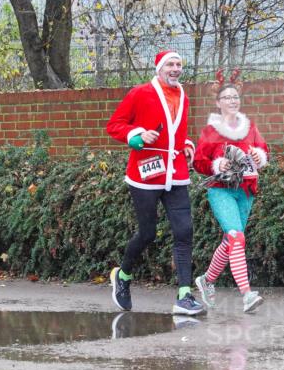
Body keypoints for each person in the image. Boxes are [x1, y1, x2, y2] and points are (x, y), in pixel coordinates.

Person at [107, 50, 204, 316]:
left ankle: (185, 295)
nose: (175, 68)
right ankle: (123, 276)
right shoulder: (140, 93)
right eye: (170, 64)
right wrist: (136, 136)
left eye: (179, 64)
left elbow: (178, 132)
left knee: (184, 232)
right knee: (147, 233)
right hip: (145, 174)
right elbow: (115, 125)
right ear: (159, 68)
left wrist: (186, 145)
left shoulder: (183, 95)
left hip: (176, 172)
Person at [193, 72, 269, 313]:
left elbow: (263, 149)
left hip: (245, 189)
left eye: (235, 97)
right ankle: (247, 295)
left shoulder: (250, 127)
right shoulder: (211, 130)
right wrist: (218, 165)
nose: (232, 101)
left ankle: (207, 280)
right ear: (218, 102)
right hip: (221, 191)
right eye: (226, 97)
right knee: (236, 237)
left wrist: (260, 156)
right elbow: (198, 161)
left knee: (231, 240)